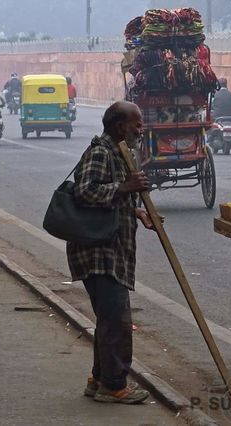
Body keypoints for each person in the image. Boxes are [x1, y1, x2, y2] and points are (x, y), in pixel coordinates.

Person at [66, 101, 153, 404]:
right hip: (99, 252)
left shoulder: (119, 152)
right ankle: (114, 386)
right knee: (116, 320)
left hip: (113, 250)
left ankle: (99, 378)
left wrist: (136, 211)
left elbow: (113, 196)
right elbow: (85, 191)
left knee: (109, 319)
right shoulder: (101, 152)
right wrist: (126, 187)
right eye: (137, 124)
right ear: (119, 127)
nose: (140, 130)